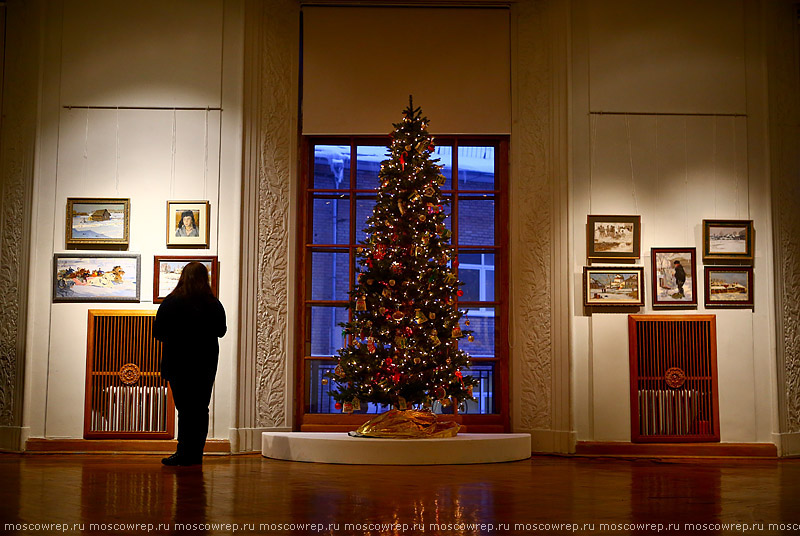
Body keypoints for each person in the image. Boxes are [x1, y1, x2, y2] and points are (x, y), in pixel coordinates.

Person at [154, 262, 226, 466]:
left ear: (183, 277)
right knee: (201, 408)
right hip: (205, 362)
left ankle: (183, 453)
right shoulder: (213, 303)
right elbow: (221, 331)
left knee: (184, 409)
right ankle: (196, 454)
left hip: (177, 361)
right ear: (205, 278)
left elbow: (158, 332)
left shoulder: (171, 302)